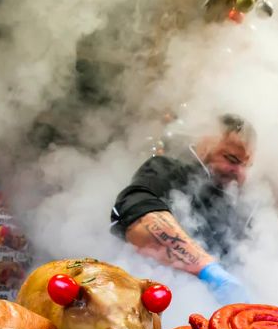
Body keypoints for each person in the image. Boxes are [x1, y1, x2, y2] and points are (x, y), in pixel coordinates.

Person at [110, 113, 256, 304]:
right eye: (231, 159)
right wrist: (209, 271)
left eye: (246, 165)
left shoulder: (236, 210)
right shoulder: (167, 171)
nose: (239, 172)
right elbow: (135, 217)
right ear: (205, 145)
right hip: (160, 305)